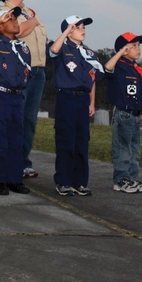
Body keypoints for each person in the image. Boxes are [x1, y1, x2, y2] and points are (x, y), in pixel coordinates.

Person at [0, 0, 47, 179]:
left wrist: (31, 19)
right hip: (21, 70)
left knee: (29, 119)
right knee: (16, 118)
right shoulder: (5, 11)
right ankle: (10, 162)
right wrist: (32, 22)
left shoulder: (28, 11)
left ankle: (23, 161)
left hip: (38, 70)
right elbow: (19, 31)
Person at [48, 15, 103, 197]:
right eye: (78, 27)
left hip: (82, 99)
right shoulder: (63, 48)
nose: (82, 30)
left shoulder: (89, 53)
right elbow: (52, 51)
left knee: (81, 141)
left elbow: (92, 79)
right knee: (66, 140)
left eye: (83, 27)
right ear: (69, 30)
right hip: (67, 98)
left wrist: (92, 102)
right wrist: (65, 33)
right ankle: (64, 181)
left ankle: (80, 182)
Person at [0, 8, 31, 195]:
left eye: (15, 18)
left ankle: (14, 179)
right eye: (9, 19)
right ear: (0, 25)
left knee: (16, 139)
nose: (15, 21)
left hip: (17, 96)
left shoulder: (22, 46)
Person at [104, 32, 142, 193]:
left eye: (138, 45)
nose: (138, 49)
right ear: (124, 49)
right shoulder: (119, 66)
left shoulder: (136, 70)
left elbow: (141, 95)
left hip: (135, 114)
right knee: (123, 149)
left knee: (134, 150)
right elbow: (107, 69)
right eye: (133, 46)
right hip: (124, 114)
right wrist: (119, 53)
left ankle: (131, 178)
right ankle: (121, 179)